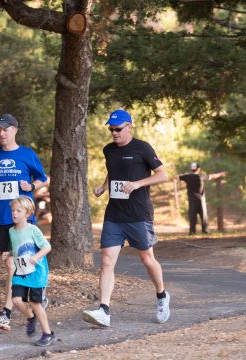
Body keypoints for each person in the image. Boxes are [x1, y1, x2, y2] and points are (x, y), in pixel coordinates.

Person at [82, 109, 170, 328]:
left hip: (138, 214)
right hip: (114, 214)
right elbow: (114, 170)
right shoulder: (109, 150)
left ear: (129, 126)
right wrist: (104, 186)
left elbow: (163, 174)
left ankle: (161, 296)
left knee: (147, 259)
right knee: (106, 261)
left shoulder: (143, 148)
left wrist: (138, 184)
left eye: (118, 129)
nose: (114, 133)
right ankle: (104, 310)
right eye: (111, 129)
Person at [0, 113, 48, 331]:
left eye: (5, 129)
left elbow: (43, 178)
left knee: (14, 264)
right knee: (15, 265)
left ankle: (7, 313)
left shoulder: (27, 154)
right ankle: (35, 305)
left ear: (15, 131)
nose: (1, 133)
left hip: (23, 220)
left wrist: (32, 187)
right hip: (1, 218)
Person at [3, 196, 55, 346]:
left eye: (18, 211)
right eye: (13, 210)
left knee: (35, 302)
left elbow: (47, 247)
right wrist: (9, 254)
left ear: (27, 213)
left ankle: (48, 334)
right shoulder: (11, 231)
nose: (14, 213)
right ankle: (30, 317)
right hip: (21, 272)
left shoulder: (33, 230)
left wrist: (36, 257)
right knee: (16, 300)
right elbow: (16, 248)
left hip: (37, 273)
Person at [174, 163, 227, 235]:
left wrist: (176, 177)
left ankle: (192, 232)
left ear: (191, 169)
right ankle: (205, 231)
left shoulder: (187, 177)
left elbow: (176, 177)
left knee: (192, 217)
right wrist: (221, 174)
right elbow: (212, 176)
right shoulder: (201, 176)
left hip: (192, 201)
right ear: (198, 169)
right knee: (204, 216)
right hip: (201, 200)